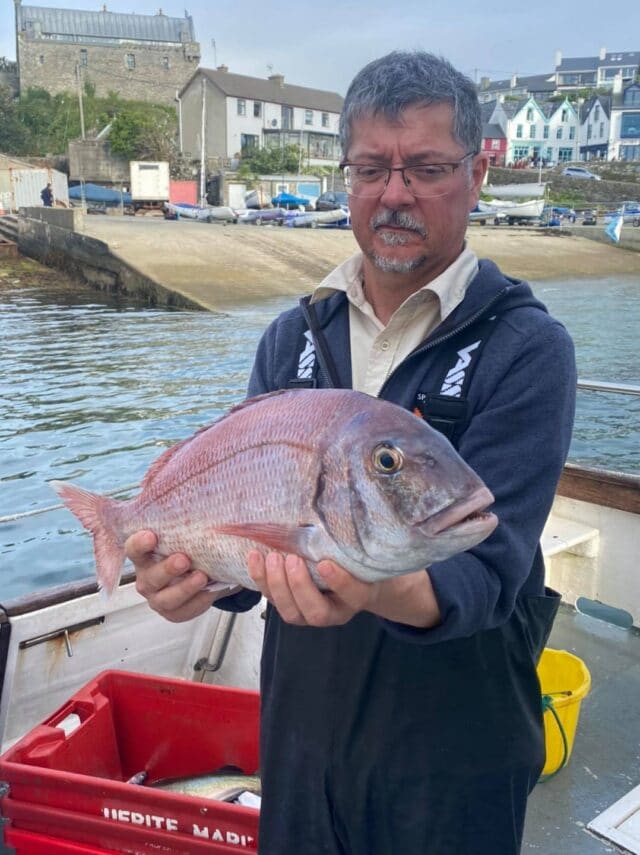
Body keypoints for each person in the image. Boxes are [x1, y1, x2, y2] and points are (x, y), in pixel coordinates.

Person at [126, 51, 576, 855]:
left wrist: (367, 587)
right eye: (372, 168)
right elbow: (250, 532)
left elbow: (489, 571)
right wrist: (197, 581)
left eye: (427, 168)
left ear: (476, 175)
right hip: (303, 741)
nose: (395, 193)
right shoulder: (292, 337)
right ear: (348, 178)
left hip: (455, 758)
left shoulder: (527, 347)